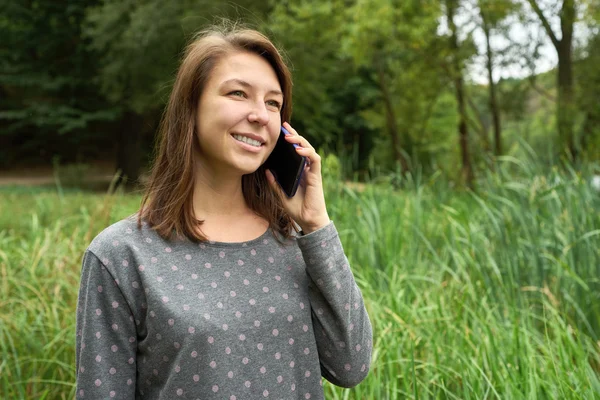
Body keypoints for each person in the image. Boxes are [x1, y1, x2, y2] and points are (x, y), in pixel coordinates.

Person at [75, 24, 373, 400]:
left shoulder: (295, 243)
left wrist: (316, 225)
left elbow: (351, 365)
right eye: (238, 94)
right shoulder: (121, 255)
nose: (260, 115)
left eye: (273, 102)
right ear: (191, 105)